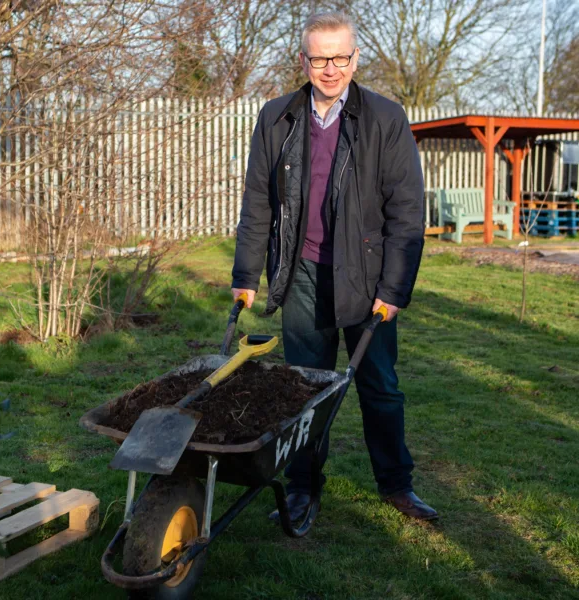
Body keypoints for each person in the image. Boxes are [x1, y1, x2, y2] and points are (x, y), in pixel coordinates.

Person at [230, 11, 437, 525]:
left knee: (380, 387)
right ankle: (303, 487)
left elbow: (407, 213)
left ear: (355, 59)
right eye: (320, 58)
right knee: (302, 389)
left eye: (340, 57)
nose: (330, 68)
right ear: (303, 60)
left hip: (367, 281)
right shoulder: (277, 117)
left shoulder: (385, 119)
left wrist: (394, 289)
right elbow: (258, 201)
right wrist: (245, 275)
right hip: (302, 275)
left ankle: (397, 484)